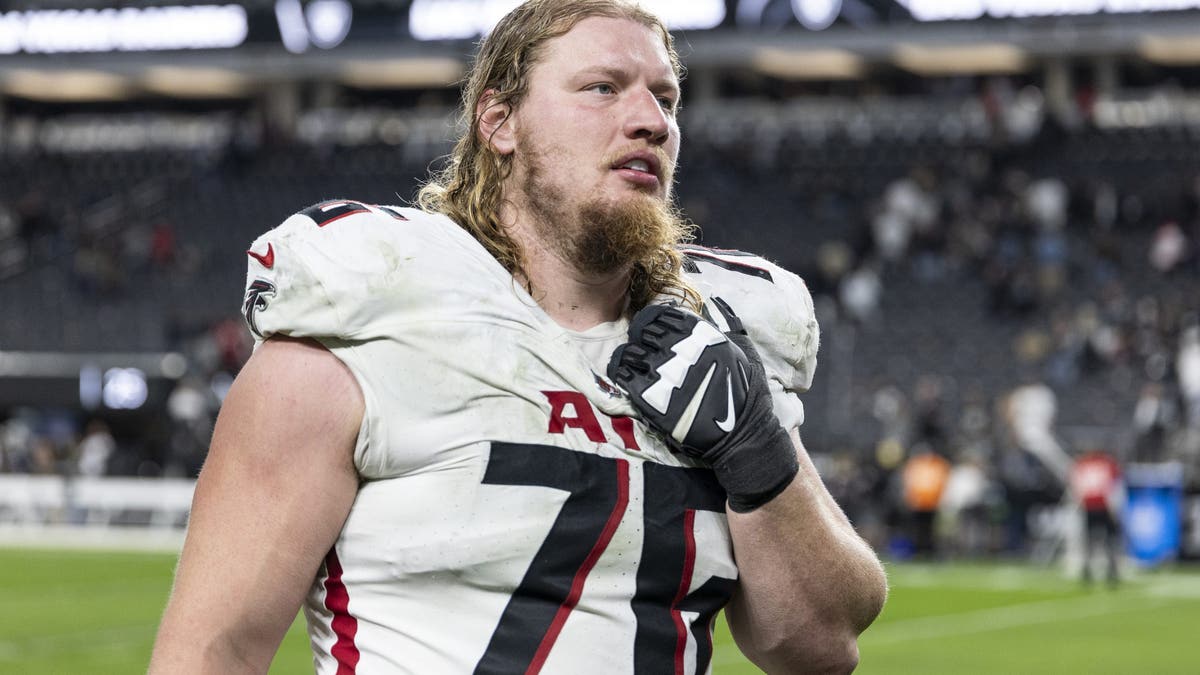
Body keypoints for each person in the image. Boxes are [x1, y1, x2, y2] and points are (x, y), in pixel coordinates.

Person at [149, 1, 888, 673]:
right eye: (603, 88)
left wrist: (757, 451)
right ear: (499, 121)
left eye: (664, 98)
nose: (651, 121)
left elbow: (820, 644)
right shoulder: (363, 322)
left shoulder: (710, 348)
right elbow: (215, 652)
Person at [1068, 449, 1123, 587]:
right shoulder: (1107, 464)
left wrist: (1078, 503)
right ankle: (1111, 570)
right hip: (1104, 506)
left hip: (1088, 506)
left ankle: (1088, 569)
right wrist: (1115, 508)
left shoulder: (1082, 464)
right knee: (1108, 540)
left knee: (1090, 541)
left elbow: (1077, 485)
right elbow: (1114, 486)